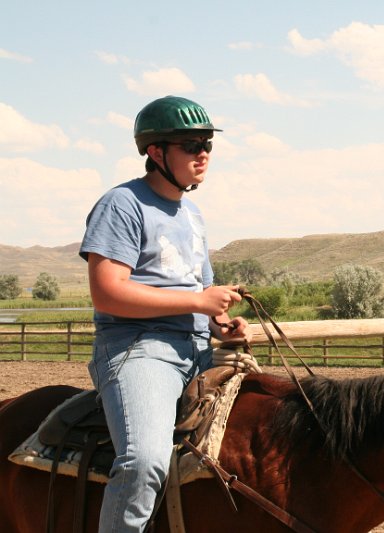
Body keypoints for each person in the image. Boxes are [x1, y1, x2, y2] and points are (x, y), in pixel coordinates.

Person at [79, 95, 250, 532]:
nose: (204, 155)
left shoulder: (191, 214)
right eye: (191, 145)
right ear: (156, 152)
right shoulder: (122, 204)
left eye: (208, 145)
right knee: (143, 461)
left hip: (197, 350)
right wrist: (197, 302)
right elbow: (108, 293)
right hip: (140, 350)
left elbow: (200, 290)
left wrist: (220, 322)